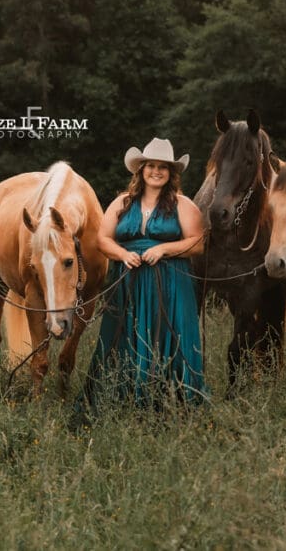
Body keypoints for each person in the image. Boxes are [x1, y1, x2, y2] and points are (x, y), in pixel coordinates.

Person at [76, 137, 208, 417]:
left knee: (169, 336)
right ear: (141, 170)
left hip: (171, 282)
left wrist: (164, 248)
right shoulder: (122, 203)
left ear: (171, 173)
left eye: (163, 167)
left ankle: (173, 405)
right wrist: (123, 255)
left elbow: (197, 243)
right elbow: (103, 239)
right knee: (122, 336)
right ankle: (121, 399)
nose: (156, 171)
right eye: (151, 166)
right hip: (128, 281)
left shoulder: (183, 205)